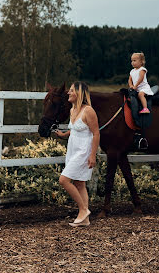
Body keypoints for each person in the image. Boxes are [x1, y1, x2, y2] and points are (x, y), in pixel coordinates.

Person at [54, 81, 100, 227]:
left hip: (83, 151)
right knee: (79, 183)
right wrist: (63, 134)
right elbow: (76, 129)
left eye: (72, 90)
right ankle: (84, 220)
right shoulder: (72, 109)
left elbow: (96, 133)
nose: (68, 92)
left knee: (64, 180)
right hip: (72, 149)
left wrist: (92, 155)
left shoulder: (89, 111)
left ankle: (83, 210)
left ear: (79, 93)